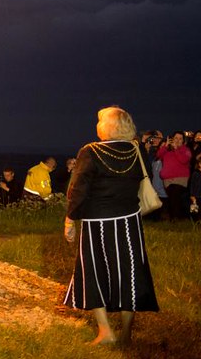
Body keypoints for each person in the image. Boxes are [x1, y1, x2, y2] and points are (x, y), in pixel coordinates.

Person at [63, 106, 159, 345]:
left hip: (97, 223)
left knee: (93, 272)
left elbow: (78, 189)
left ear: (109, 126)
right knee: (130, 273)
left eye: (100, 120)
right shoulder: (136, 150)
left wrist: (69, 219)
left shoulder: (90, 151)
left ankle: (106, 332)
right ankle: (126, 333)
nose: (97, 124)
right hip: (129, 221)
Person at [155, 131, 192, 219]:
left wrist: (176, 149)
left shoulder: (185, 150)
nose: (178, 140)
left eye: (180, 139)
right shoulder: (167, 150)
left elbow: (183, 160)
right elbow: (158, 155)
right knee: (172, 199)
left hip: (180, 179)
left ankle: (175, 219)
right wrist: (165, 146)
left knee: (175, 197)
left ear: (183, 141)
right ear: (172, 139)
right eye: (176, 138)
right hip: (167, 180)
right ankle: (175, 218)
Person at [189, 153, 201, 221]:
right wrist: (192, 195)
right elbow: (192, 185)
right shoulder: (195, 173)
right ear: (199, 163)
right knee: (196, 211)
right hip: (196, 195)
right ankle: (196, 222)